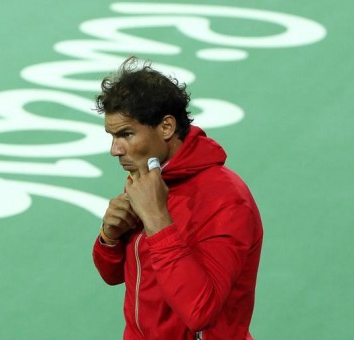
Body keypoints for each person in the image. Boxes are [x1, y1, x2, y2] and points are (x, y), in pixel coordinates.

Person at [92, 57, 263, 340]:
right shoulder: (147, 177)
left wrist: (157, 220)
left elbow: (201, 311)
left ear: (166, 127)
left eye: (126, 134)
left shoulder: (225, 200)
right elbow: (115, 275)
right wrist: (109, 238)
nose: (115, 150)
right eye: (112, 136)